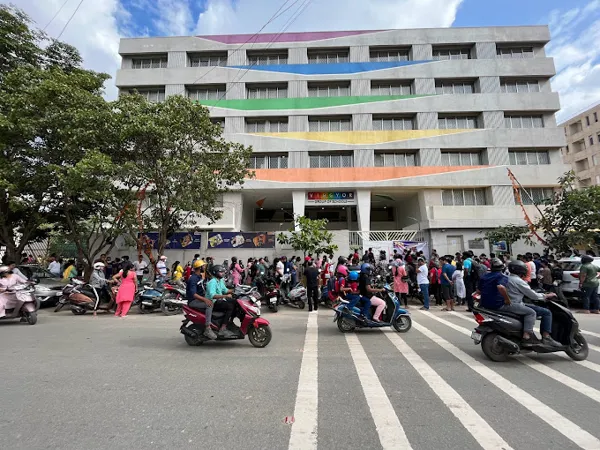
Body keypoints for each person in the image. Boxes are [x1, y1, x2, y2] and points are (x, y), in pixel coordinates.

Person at [505, 260, 561, 347]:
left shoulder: (506, 278)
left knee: (535, 309)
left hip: (511, 303)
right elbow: (533, 295)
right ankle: (534, 336)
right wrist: (546, 296)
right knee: (544, 312)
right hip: (514, 304)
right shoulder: (518, 281)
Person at [186, 260, 217, 340]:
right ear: (200, 267)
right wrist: (205, 300)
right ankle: (208, 327)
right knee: (209, 304)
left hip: (200, 299)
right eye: (203, 266)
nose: (204, 267)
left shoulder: (199, 276)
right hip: (193, 301)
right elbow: (194, 294)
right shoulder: (193, 279)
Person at [205, 265, 236, 338]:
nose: (223, 273)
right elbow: (213, 295)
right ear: (215, 273)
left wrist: (236, 289)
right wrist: (225, 296)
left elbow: (225, 290)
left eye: (223, 272)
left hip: (220, 300)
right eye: (220, 272)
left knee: (235, 302)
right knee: (230, 306)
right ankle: (223, 328)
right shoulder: (212, 282)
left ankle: (230, 322)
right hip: (214, 302)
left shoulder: (220, 280)